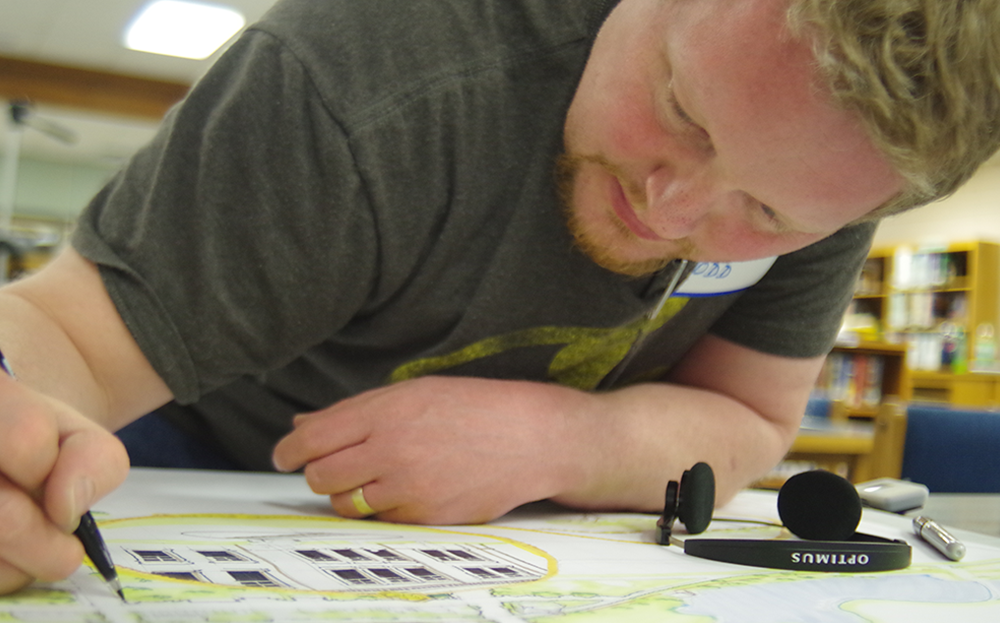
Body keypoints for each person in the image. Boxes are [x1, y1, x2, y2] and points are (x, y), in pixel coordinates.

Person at [0, 0, 998, 595]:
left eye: (766, 212)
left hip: (525, 538)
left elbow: (750, 416)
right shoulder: (367, 73)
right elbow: (61, 341)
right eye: (678, 109)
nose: (672, 209)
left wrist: (563, 438)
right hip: (190, 457)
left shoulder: (840, 157)